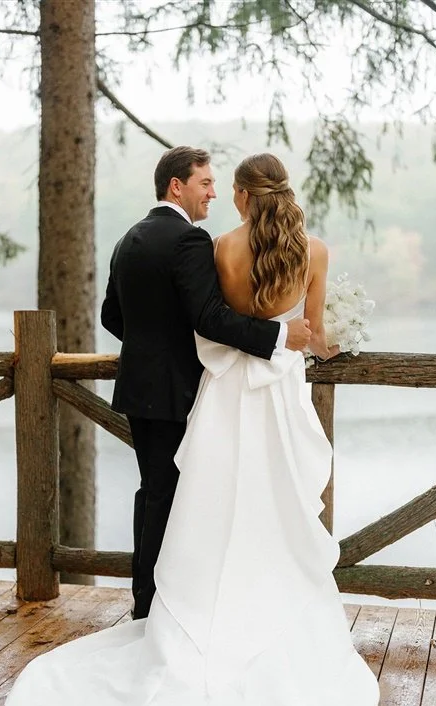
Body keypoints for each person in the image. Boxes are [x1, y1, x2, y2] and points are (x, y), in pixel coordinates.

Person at [4, 152, 379, 706]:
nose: (213, 193)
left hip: (223, 395)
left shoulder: (216, 248)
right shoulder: (313, 251)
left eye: (221, 186)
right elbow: (314, 340)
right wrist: (339, 334)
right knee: (274, 509)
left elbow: (191, 320)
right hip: (278, 396)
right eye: (202, 182)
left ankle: (172, 612)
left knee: (201, 502)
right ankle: (265, 611)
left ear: (240, 194)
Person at [100, 146, 311, 619]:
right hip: (177, 391)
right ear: (177, 185)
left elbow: (112, 316)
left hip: (137, 388)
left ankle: (148, 602)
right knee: (174, 498)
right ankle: (160, 609)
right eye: (205, 184)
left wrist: (152, 347)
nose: (213, 193)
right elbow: (210, 318)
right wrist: (279, 334)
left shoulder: (128, 238)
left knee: (153, 492)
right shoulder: (190, 241)